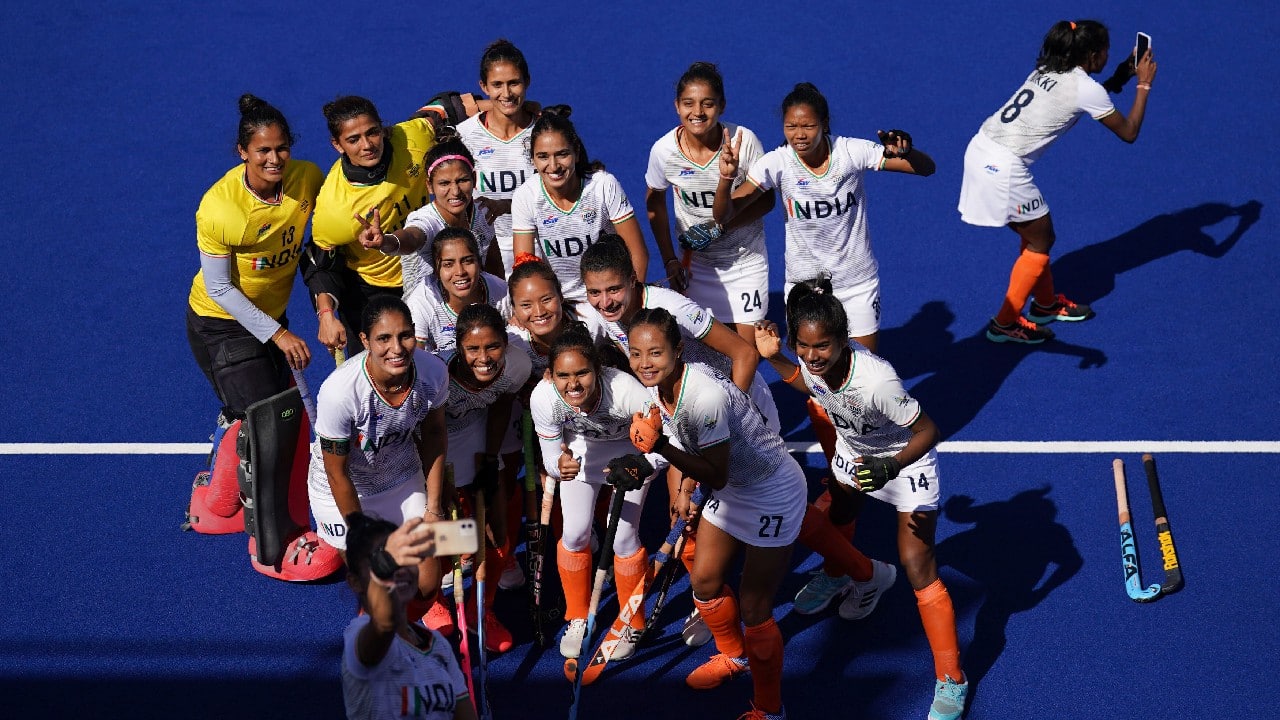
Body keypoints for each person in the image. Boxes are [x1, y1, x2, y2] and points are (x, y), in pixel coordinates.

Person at [755, 279, 968, 720]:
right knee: (838, 515)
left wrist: (890, 467)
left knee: (917, 565)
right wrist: (775, 357)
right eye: (804, 346)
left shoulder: (878, 382)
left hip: (904, 464)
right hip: (854, 457)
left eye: (823, 347)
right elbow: (809, 385)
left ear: (844, 339)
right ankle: (844, 577)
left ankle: (952, 679)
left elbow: (928, 431)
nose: (812, 356)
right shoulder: (811, 361)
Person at [184, 94, 337, 580]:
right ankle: (274, 547)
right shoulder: (220, 208)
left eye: (282, 148)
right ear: (242, 153)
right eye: (262, 151)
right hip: (220, 324)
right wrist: (278, 334)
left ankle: (218, 501)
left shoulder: (306, 177)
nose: (274, 159)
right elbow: (220, 287)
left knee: (265, 412)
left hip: (267, 318)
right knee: (272, 426)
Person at [627, 308, 805, 720]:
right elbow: (683, 443)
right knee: (705, 582)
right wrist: (641, 465)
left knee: (755, 607)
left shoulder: (702, 395)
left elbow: (716, 474)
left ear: (679, 351)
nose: (644, 363)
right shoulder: (661, 387)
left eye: (655, 353)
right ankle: (733, 657)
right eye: (636, 354)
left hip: (770, 492)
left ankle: (769, 708)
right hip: (733, 486)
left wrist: (660, 451)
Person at [959, 19, 1157, 344]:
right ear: (1092, 56)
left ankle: (1046, 306)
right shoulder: (1086, 88)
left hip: (981, 148)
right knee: (1042, 238)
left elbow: (1084, 102)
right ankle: (1005, 324)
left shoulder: (1048, 70)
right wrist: (1143, 84)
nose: (1108, 55)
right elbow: (1129, 131)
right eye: (1106, 51)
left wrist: (1122, 73)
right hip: (1003, 168)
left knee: (1036, 234)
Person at [712, 81, 934, 355]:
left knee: (863, 373)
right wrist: (726, 179)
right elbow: (723, 214)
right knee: (816, 379)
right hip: (805, 287)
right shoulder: (777, 163)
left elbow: (926, 169)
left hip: (856, 283)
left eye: (808, 126)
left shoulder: (850, 151)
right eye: (791, 127)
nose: (799, 135)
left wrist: (907, 151)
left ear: (825, 124)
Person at [308, 296, 450, 621]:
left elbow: (434, 435)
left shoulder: (433, 372)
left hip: (400, 475)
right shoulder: (339, 393)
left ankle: (414, 622)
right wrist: (358, 529)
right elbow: (336, 473)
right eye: (383, 339)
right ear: (365, 341)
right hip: (343, 492)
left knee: (428, 581)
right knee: (376, 588)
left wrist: (433, 507)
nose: (396, 348)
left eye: (404, 336)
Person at [530, 327, 659, 660]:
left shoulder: (626, 391)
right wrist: (561, 466)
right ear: (550, 375)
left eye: (582, 373)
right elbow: (550, 459)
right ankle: (577, 617)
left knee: (624, 539)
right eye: (563, 375)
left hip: (632, 453)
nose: (573, 384)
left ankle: (633, 622)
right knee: (573, 534)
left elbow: (667, 441)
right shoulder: (543, 398)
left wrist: (639, 466)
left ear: (597, 370)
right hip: (583, 452)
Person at [579, 236, 778, 431]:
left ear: (632, 279)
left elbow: (745, 354)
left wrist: (727, 417)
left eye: (614, 290)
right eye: (594, 292)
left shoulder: (673, 309)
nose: (605, 302)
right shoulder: (603, 316)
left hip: (738, 404)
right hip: (688, 411)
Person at [645, 62, 774, 344]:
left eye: (708, 104)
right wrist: (669, 260)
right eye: (688, 103)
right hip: (697, 268)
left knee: (747, 352)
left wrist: (720, 229)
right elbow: (654, 204)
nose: (698, 112)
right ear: (677, 106)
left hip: (745, 262)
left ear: (722, 105)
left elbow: (767, 201)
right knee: (705, 356)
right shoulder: (664, 151)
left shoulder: (744, 141)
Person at [305, 96, 440, 358]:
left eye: (373, 133)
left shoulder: (413, 139)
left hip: (431, 272)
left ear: (383, 129)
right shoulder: (334, 209)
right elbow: (320, 266)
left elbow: (452, 106)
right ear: (337, 145)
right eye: (353, 139)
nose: (367, 145)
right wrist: (326, 316)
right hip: (377, 293)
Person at [441, 304, 534, 652]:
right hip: (438, 456)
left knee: (498, 537)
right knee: (446, 540)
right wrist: (440, 483)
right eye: (473, 349)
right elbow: (426, 435)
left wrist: (490, 460)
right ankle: (437, 603)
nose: (484, 357)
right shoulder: (437, 377)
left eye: (493, 346)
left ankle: (482, 608)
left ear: (506, 344)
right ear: (458, 348)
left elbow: (499, 405)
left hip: (479, 445)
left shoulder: (518, 365)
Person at [341, 511, 478, 720]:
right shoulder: (357, 636)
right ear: (355, 582)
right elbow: (385, 623)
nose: (399, 569)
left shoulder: (438, 645)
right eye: (383, 562)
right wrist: (386, 566)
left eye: (405, 559)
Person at [511, 109, 647, 302]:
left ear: (576, 151)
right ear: (532, 158)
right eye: (543, 156)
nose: (553, 165)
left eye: (562, 154)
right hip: (561, 306)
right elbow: (524, 269)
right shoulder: (526, 196)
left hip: (612, 300)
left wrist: (631, 303)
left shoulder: (603, 185)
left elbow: (638, 253)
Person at [359, 133, 502, 297]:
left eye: (462, 180)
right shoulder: (425, 220)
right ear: (429, 186)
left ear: (474, 179)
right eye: (444, 183)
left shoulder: (484, 212)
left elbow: (495, 273)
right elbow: (411, 237)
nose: (455, 192)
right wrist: (386, 241)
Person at [457, 39, 539, 278]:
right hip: (484, 254)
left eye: (514, 83)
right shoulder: (464, 136)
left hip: (541, 248)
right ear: (483, 86)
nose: (506, 93)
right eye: (497, 84)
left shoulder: (545, 134)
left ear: (527, 82)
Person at [402, 228, 510, 356]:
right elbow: (414, 359)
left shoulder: (500, 291)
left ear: (479, 263)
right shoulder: (422, 301)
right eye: (448, 264)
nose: (460, 272)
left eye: (467, 261)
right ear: (437, 271)